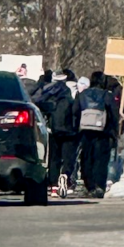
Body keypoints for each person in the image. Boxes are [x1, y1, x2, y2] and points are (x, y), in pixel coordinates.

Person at [33, 71, 80, 199]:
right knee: (69, 157)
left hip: (54, 130)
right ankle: (65, 175)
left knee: (54, 158)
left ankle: (53, 186)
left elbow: (41, 106)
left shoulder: (50, 92)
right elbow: (77, 110)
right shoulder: (73, 90)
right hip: (70, 130)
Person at [78, 71, 120, 198]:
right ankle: (99, 186)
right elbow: (114, 114)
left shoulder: (83, 94)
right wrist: (114, 131)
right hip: (103, 132)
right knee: (101, 160)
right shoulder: (107, 95)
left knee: (86, 158)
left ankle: (89, 185)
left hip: (85, 132)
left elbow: (75, 110)